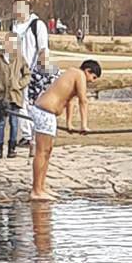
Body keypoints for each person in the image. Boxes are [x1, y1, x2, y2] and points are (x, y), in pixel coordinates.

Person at [30, 60, 101, 201]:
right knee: (42, 151)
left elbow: (69, 101)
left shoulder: (71, 75)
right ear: (88, 71)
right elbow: (83, 101)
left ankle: (41, 187)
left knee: (47, 151)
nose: (91, 82)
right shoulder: (79, 74)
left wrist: (69, 124)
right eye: (93, 78)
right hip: (44, 111)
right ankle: (36, 190)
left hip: (48, 114)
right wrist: (84, 125)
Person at [12, 0, 52, 154]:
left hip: (33, 71)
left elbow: (43, 49)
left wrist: (42, 71)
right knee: (20, 103)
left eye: (19, 7)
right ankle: (26, 135)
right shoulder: (14, 26)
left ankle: (36, 136)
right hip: (17, 70)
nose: (16, 11)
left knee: (34, 103)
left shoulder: (37, 25)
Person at [0, 33, 30, 159]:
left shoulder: (20, 58)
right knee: (0, 122)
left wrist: (19, 84)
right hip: (1, 96)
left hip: (15, 96)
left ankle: (12, 148)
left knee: (14, 122)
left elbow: (27, 75)